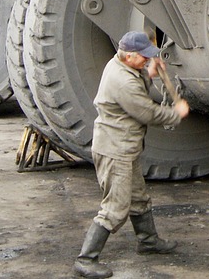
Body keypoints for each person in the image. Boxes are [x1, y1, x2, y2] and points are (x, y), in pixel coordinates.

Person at [73, 31, 190, 279]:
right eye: (143, 57)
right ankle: (86, 260)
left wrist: (149, 74)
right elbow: (146, 112)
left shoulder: (120, 65)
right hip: (115, 150)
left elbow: (137, 87)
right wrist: (176, 113)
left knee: (138, 197)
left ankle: (148, 241)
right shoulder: (122, 81)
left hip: (125, 147)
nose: (147, 60)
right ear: (128, 55)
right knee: (115, 208)